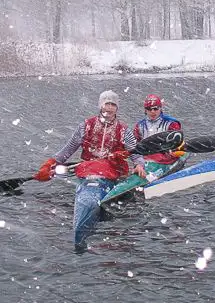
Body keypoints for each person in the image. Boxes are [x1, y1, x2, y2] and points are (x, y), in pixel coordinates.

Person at [34, 90, 145, 250]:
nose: (109, 107)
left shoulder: (123, 130)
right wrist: (51, 163)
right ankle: (83, 224)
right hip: (88, 171)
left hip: (112, 171)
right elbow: (68, 149)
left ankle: (90, 216)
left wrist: (139, 164)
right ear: (100, 106)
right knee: (90, 183)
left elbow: (135, 152)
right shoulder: (86, 126)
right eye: (106, 103)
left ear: (117, 108)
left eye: (113, 104)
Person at [133, 93, 183, 165]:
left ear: (160, 108)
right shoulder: (139, 126)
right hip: (145, 158)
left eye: (155, 108)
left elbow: (176, 144)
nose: (152, 111)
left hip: (166, 159)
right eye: (149, 109)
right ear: (145, 110)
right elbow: (135, 145)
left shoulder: (171, 123)